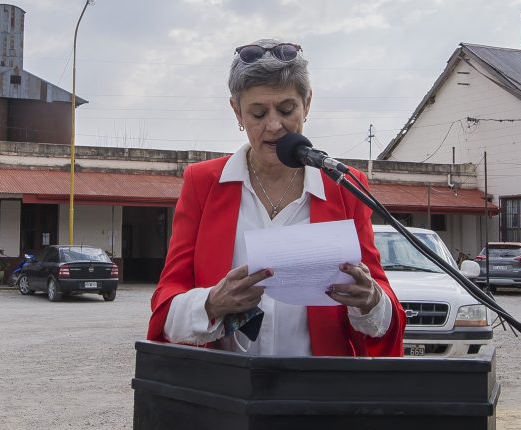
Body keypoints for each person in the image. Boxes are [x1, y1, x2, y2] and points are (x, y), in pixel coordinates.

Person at [147, 39, 405, 357]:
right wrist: (212, 303)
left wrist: (370, 300)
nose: (274, 125)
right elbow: (166, 306)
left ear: (307, 104)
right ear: (236, 111)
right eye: (257, 113)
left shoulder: (344, 185)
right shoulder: (203, 183)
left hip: (317, 393)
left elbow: (385, 317)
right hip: (225, 390)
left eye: (286, 109)